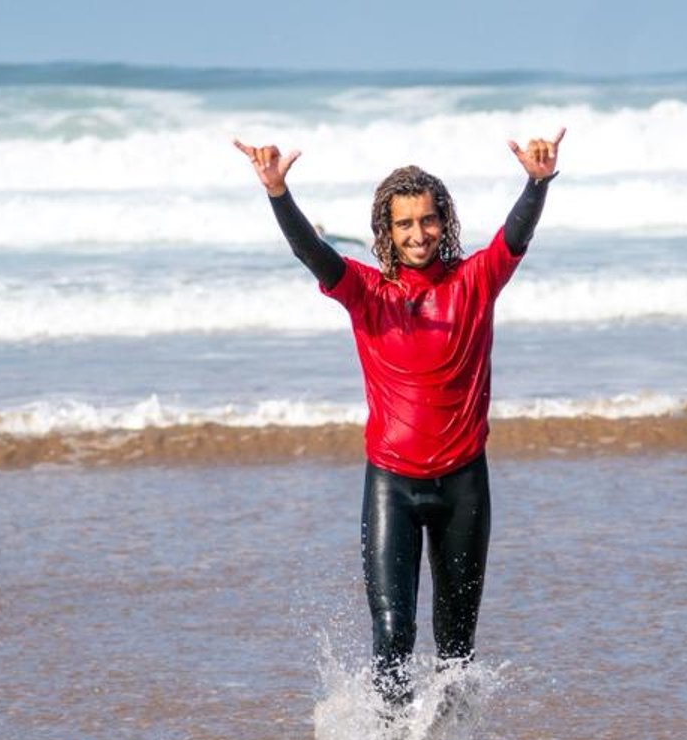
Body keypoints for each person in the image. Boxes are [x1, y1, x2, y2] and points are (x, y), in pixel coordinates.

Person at [235, 128, 565, 708]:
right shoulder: (367, 292)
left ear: (445, 222)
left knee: (456, 646)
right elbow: (313, 253)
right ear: (385, 232)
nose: (419, 234)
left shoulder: (475, 282)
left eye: (428, 220)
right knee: (393, 636)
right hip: (392, 484)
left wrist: (537, 184)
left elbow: (515, 238)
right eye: (405, 224)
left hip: (464, 484)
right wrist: (278, 194)